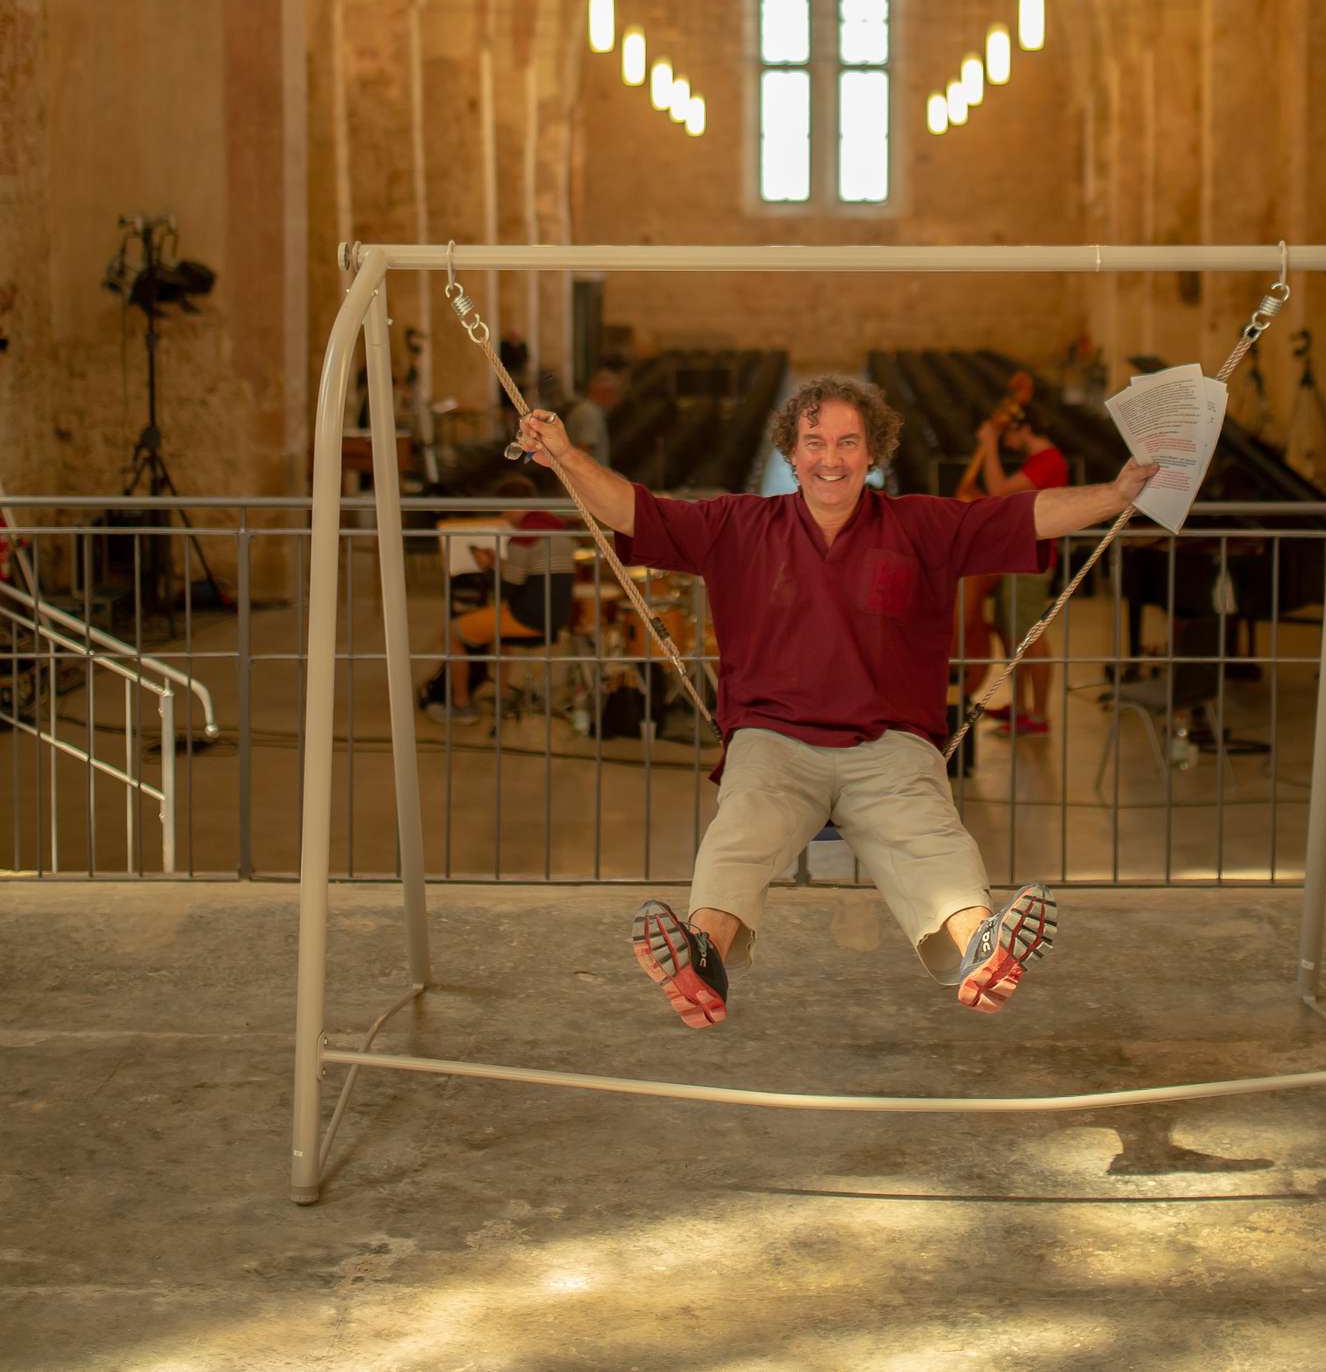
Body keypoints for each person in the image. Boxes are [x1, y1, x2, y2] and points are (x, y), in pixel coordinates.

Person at [516, 375, 1155, 1029]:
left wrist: (1117, 492)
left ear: (872, 451)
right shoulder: (737, 524)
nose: (830, 458)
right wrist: (566, 457)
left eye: (848, 442)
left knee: (930, 841)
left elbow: (1025, 515)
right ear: (789, 453)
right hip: (772, 740)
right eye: (814, 441)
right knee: (740, 833)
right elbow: (633, 510)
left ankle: (981, 951)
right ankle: (700, 959)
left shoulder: (920, 525)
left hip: (888, 745)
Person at [418, 475, 574, 724]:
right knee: (496, 625)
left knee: (452, 632)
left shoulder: (523, 538)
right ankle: (501, 697)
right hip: (555, 615)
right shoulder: (555, 530)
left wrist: (487, 567)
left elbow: (505, 590)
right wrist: (498, 563)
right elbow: (526, 575)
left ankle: (461, 706)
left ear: (512, 505)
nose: (503, 516)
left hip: (528, 617)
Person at [966, 408, 1070, 735]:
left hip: (1032, 561)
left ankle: (1038, 716)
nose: (1008, 440)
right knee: (1011, 631)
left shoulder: (1049, 460)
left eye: (1009, 432)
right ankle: (1021, 706)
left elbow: (998, 489)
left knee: (1029, 635)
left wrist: (989, 444)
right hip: (1018, 558)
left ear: (1025, 428)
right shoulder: (1038, 460)